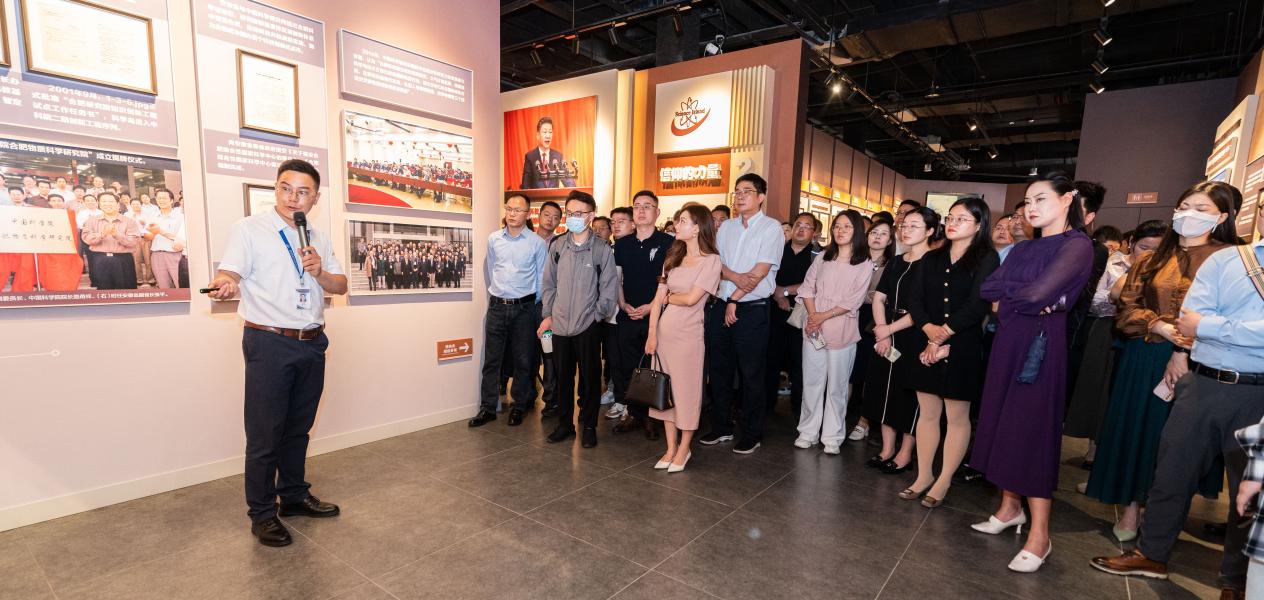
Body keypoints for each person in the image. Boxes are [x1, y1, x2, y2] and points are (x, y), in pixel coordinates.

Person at [1092, 190, 1260, 600]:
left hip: (1255, 391)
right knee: (1171, 473)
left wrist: (1215, 327)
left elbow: (1206, 323)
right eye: (1184, 207)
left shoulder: (1223, 252)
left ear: (1224, 216)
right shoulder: (1228, 261)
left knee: (1249, 490)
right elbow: (1190, 318)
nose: (1188, 215)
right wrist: (1227, 329)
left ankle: (1237, 581)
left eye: (1201, 209)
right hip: (1201, 381)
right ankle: (1151, 554)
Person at [204, 159, 349, 548]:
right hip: (269, 342)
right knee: (265, 433)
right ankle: (262, 513)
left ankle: (294, 496)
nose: (292, 198)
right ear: (276, 189)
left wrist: (319, 272)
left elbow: (340, 285)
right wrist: (223, 282)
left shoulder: (318, 237)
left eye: (302, 192)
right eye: (285, 188)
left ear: (315, 198)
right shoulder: (249, 229)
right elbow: (230, 273)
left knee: (298, 429)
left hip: (311, 341)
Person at [968, 171, 1094, 573]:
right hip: (1008, 342)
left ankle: (1040, 536)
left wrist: (1017, 298)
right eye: (1027, 201)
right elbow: (988, 289)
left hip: (1039, 348)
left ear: (1067, 199)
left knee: (1032, 433)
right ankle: (1009, 509)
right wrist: (1023, 299)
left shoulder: (1077, 245)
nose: (1031, 208)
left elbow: (1037, 294)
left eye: (1041, 199)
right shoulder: (1024, 247)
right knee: (1003, 424)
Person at [903, 197, 999, 507]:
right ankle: (923, 475)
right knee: (927, 412)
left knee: (956, 415)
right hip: (926, 339)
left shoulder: (987, 258)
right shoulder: (932, 257)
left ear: (979, 225)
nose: (953, 223)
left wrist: (941, 335)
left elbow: (978, 304)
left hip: (962, 344)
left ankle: (943, 480)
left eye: (962, 219)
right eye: (951, 217)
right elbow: (915, 299)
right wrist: (929, 330)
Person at [1064, 219, 1168, 469]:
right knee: (1099, 391)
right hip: (1107, 331)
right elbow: (1095, 301)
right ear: (1131, 243)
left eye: (1157, 249)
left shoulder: (1167, 272)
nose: (1149, 254)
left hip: (1144, 337)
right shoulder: (1112, 264)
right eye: (1144, 247)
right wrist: (1125, 298)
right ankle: (1094, 450)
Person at [700, 174, 783, 454]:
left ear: (761, 197)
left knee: (751, 374)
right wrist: (735, 279)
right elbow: (717, 263)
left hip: (752, 309)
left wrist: (734, 298)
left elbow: (760, 272)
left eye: (747, 191)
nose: (740, 196)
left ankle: (752, 432)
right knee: (719, 371)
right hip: (721, 305)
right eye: (737, 191)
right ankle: (721, 427)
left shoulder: (771, 228)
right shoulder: (726, 227)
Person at [645, 205, 723, 472]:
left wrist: (669, 298)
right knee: (665, 391)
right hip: (663, 335)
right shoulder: (672, 257)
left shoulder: (712, 261)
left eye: (683, 221)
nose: (677, 225)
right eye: (677, 221)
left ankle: (684, 448)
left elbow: (691, 299)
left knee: (686, 393)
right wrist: (652, 333)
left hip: (689, 337)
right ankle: (670, 448)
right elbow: (657, 299)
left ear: (697, 228)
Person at [538, 191, 618, 448]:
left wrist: (597, 316)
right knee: (562, 377)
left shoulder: (602, 249)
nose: (573, 217)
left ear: (591, 216)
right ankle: (565, 425)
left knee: (590, 378)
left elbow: (609, 289)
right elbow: (548, 284)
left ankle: (590, 425)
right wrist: (549, 315)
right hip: (560, 324)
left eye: (579, 213)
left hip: (588, 325)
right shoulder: (558, 246)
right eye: (570, 213)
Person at [863, 208, 939, 474]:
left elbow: (924, 309)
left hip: (915, 334)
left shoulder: (934, 264)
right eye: (904, 225)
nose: (906, 230)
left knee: (908, 396)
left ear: (930, 231)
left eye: (914, 226)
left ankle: (905, 454)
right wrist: (882, 329)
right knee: (883, 389)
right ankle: (887, 449)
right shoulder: (896, 261)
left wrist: (888, 330)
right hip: (886, 327)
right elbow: (879, 297)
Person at [793, 210, 873, 454]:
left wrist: (821, 316)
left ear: (857, 231)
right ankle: (808, 432)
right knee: (811, 382)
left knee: (837, 387)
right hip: (813, 328)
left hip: (842, 330)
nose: (840, 230)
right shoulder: (823, 256)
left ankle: (832, 436)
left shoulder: (864, 263)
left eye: (847, 226)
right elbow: (807, 288)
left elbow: (854, 300)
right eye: (837, 226)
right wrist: (813, 316)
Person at [469, 194, 547, 428]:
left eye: (518, 210)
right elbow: (493, 268)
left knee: (523, 359)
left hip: (524, 308)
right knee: (492, 360)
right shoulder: (494, 239)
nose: (512, 214)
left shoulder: (536, 243)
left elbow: (541, 278)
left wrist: (532, 303)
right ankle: (488, 407)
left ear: (528, 214)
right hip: (497, 307)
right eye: (509, 209)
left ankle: (519, 406)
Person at [609, 191, 674, 438]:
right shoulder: (622, 244)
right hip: (627, 314)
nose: (641, 211)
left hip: (656, 316)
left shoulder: (669, 243)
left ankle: (653, 417)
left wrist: (651, 306)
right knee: (629, 367)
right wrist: (623, 303)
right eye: (637, 206)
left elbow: (671, 282)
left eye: (647, 206)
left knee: (652, 368)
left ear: (657, 212)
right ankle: (634, 414)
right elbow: (617, 278)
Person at [847, 219, 896, 442]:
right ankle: (838, 416)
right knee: (846, 371)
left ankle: (863, 422)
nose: (877, 237)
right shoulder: (853, 259)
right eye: (874, 232)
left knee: (869, 373)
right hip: (849, 316)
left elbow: (885, 298)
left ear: (890, 240)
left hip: (875, 321)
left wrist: (869, 297)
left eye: (883, 233)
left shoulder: (893, 265)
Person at [767, 213, 820, 417]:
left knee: (800, 365)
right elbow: (765, 274)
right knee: (771, 361)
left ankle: (800, 412)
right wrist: (777, 294)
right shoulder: (777, 250)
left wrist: (786, 292)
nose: (801, 229)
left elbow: (815, 284)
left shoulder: (818, 256)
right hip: (774, 313)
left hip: (802, 316)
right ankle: (766, 407)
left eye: (807, 226)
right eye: (798, 224)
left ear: (814, 233)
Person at [535, 201, 563, 416]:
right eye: (547, 215)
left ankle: (551, 400)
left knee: (550, 355)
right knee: (527, 353)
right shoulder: (527, 240)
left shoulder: (561, 244)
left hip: (550, 307)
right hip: (527, 305)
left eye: (555, 217)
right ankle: (526, 395)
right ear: (538, 216)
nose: (550, 220)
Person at [81, 192, 140, 290]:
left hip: (123, 260)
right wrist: (101, 234)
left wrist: (116, 234)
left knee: (126, 292)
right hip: (100, 260)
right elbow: (87, 239)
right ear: (99, 204)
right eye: (104, 201)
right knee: (104, 292)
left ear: (117, 204)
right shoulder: (91, 220)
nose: (107, 204)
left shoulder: (129, 221)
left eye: (111, 201)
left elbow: (133, 242)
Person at [520, 117, 575, 189]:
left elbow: (569, 181)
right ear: (538, 135)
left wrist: (576, 191)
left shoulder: (558, 157)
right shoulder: (530, 157)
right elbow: (525, 186)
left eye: (550, 132)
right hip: (536, 196)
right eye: (544, 132)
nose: (548, 136)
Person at [147, 189, 185, 289]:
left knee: (180, 285)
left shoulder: (180, 217)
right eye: (159, 198)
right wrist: (149, 234)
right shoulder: (152, 216)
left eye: (164, 198)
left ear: (171, 200)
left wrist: (160, 231)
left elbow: (182, 238)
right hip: (157, 255)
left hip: (175, 254)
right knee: (163, 287)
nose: (161, 200)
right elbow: (147, 236)